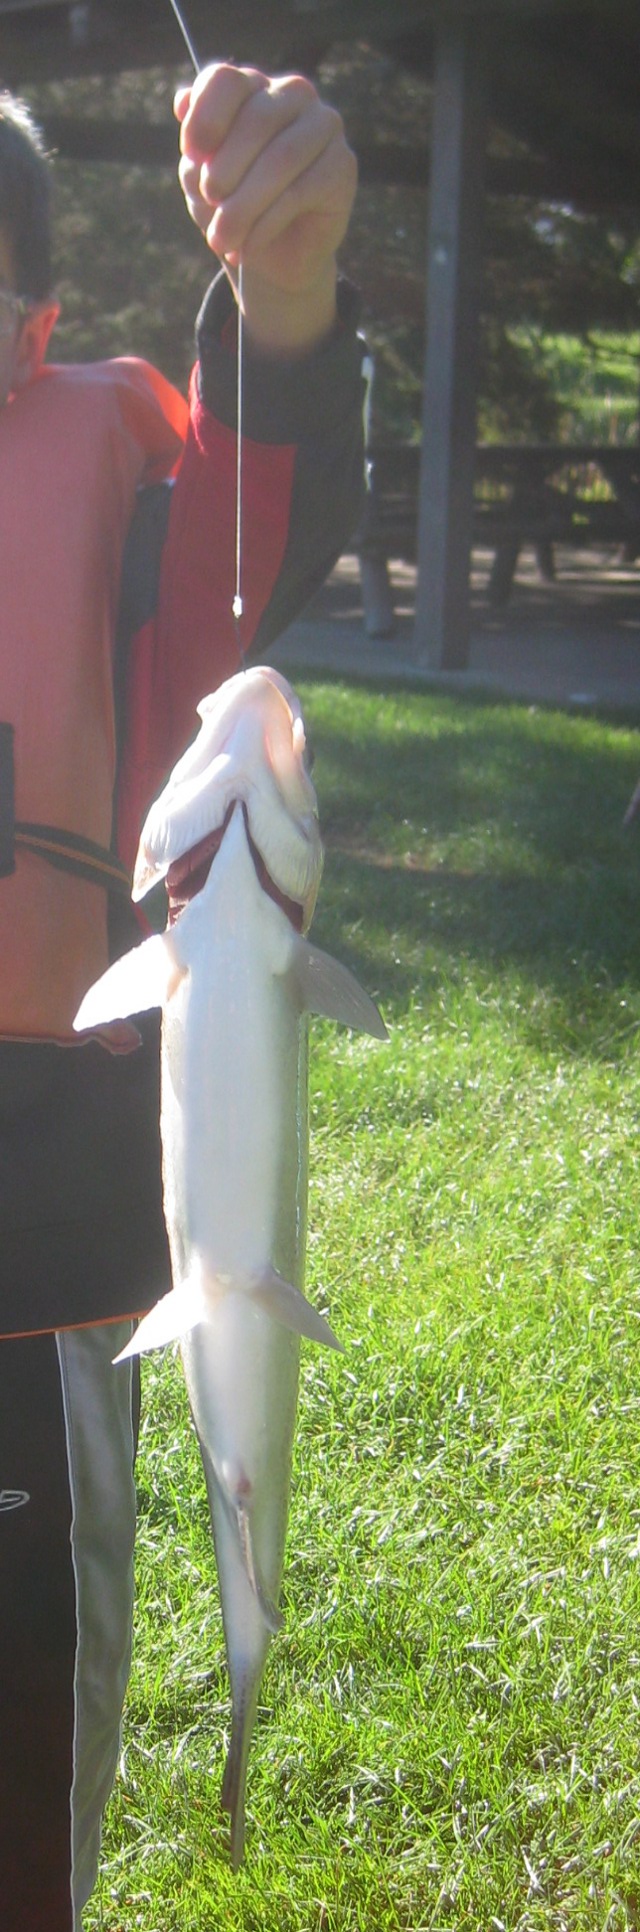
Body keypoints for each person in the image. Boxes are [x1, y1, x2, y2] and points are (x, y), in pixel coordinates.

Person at [0, 65, 363, 1930]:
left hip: (41, 1230)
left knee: (23, 1690)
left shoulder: (120, 477)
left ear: (37, 319)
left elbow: (258, 521)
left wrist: (282, 289)